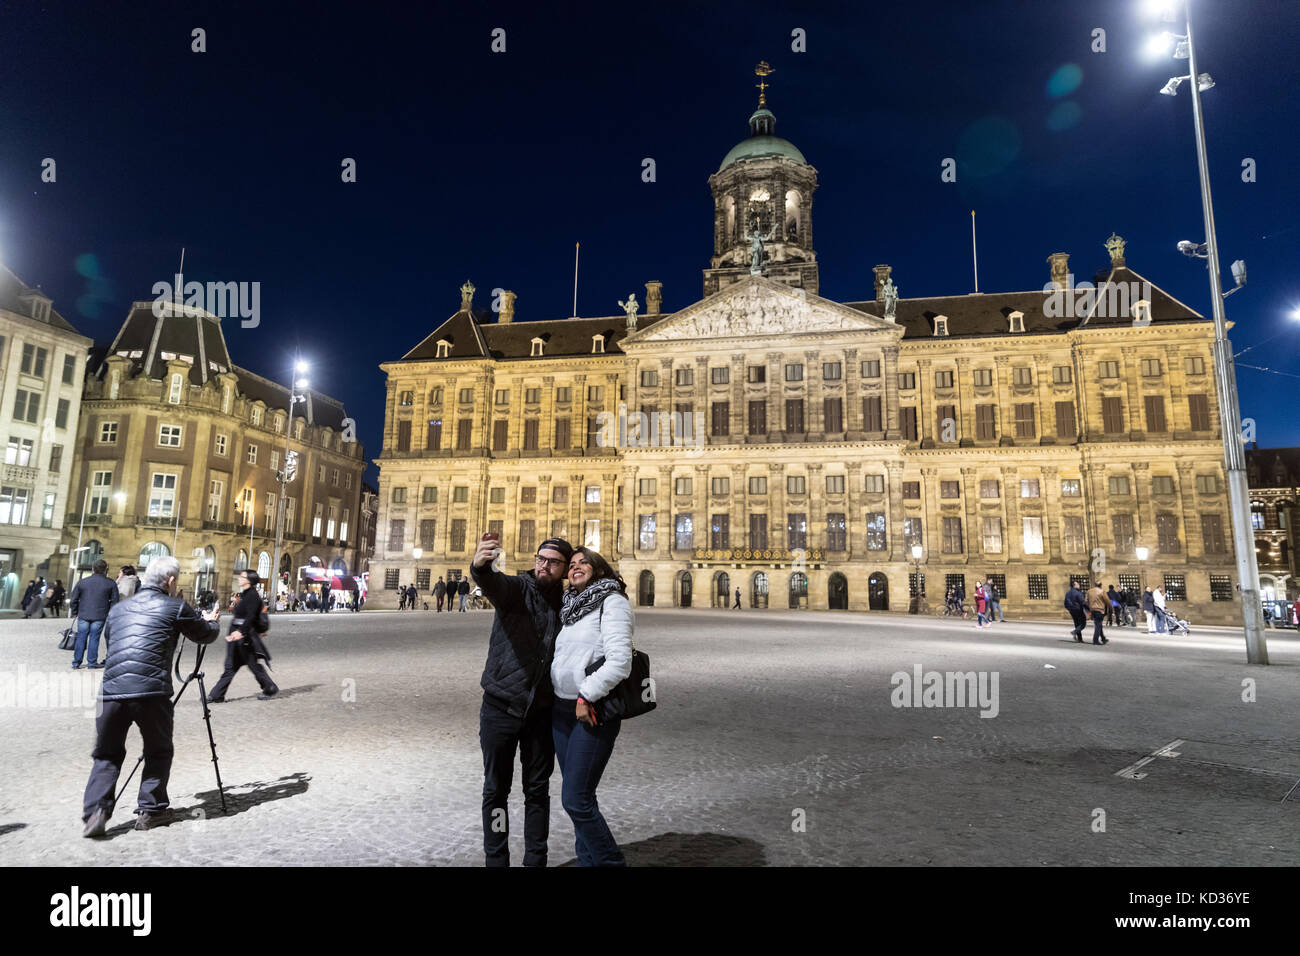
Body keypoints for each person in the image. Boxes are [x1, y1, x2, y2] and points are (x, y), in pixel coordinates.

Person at [81, 556, 221, 836]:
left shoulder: (119, 610)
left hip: (111, 692)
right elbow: (203, 635)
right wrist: (212, 622)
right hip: (151, 692)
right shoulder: (175, 605)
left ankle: (96, 812)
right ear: (170, 581)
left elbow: (114, 640)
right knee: (158, 750)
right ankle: (151, 809)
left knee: (107, 754)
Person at [470, 534, 570, 867]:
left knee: (537, 794)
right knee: (495, 791)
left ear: (565, 569)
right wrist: (480, 566)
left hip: (541, 714)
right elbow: (492, 583)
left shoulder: (569, 605)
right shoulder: (517, 590)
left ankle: (535, 861)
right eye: (541, 558)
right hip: (500, 707)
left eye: (554, 562)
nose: (545, 565)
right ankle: (496, 860)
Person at [550, 546, 632, 867]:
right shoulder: (570, 606)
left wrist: (586, 694)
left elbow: (620, 661)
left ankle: (611, 863)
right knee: (581, 797)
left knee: (575, 800)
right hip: (561, 711)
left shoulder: (612, 602)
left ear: (599, 569)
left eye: (584, 562)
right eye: (571, 564)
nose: (576, 567)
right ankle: (588, 861)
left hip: (591, 711)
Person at [205, 570, 278, 703]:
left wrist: (240, 632)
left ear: (249, 580)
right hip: (237, 635)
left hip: (244, 637)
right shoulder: (245, 595)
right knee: (231, 666)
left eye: (242, 576)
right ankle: (216, 695)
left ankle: (270, 687)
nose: (239, 578)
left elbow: (250, 617)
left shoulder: (253, 596)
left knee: (251, 665)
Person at [69, 560, 119, 669]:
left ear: (92, 569)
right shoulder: (110, 583)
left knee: (81, 638)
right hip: (100, 615)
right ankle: (91, 663)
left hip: (83, 614)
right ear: (106, 570)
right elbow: (115, 601)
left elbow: (74, 599)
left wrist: (74, 612)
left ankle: (76, 662)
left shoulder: (83, 582)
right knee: (94, 638)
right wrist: (111, 614)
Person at [1085, 581, 1109, 645]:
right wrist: (1111, 609)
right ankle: (1095, 640)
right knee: (1098, 625)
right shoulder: (1102, 591)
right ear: (1101, 585)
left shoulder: (1089, 591)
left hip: (1092, 610)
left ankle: (1103, 638)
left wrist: (1089, 608)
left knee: (1098, 625)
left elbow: (1086, 601)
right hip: (1100, 610)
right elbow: (1107, 601)